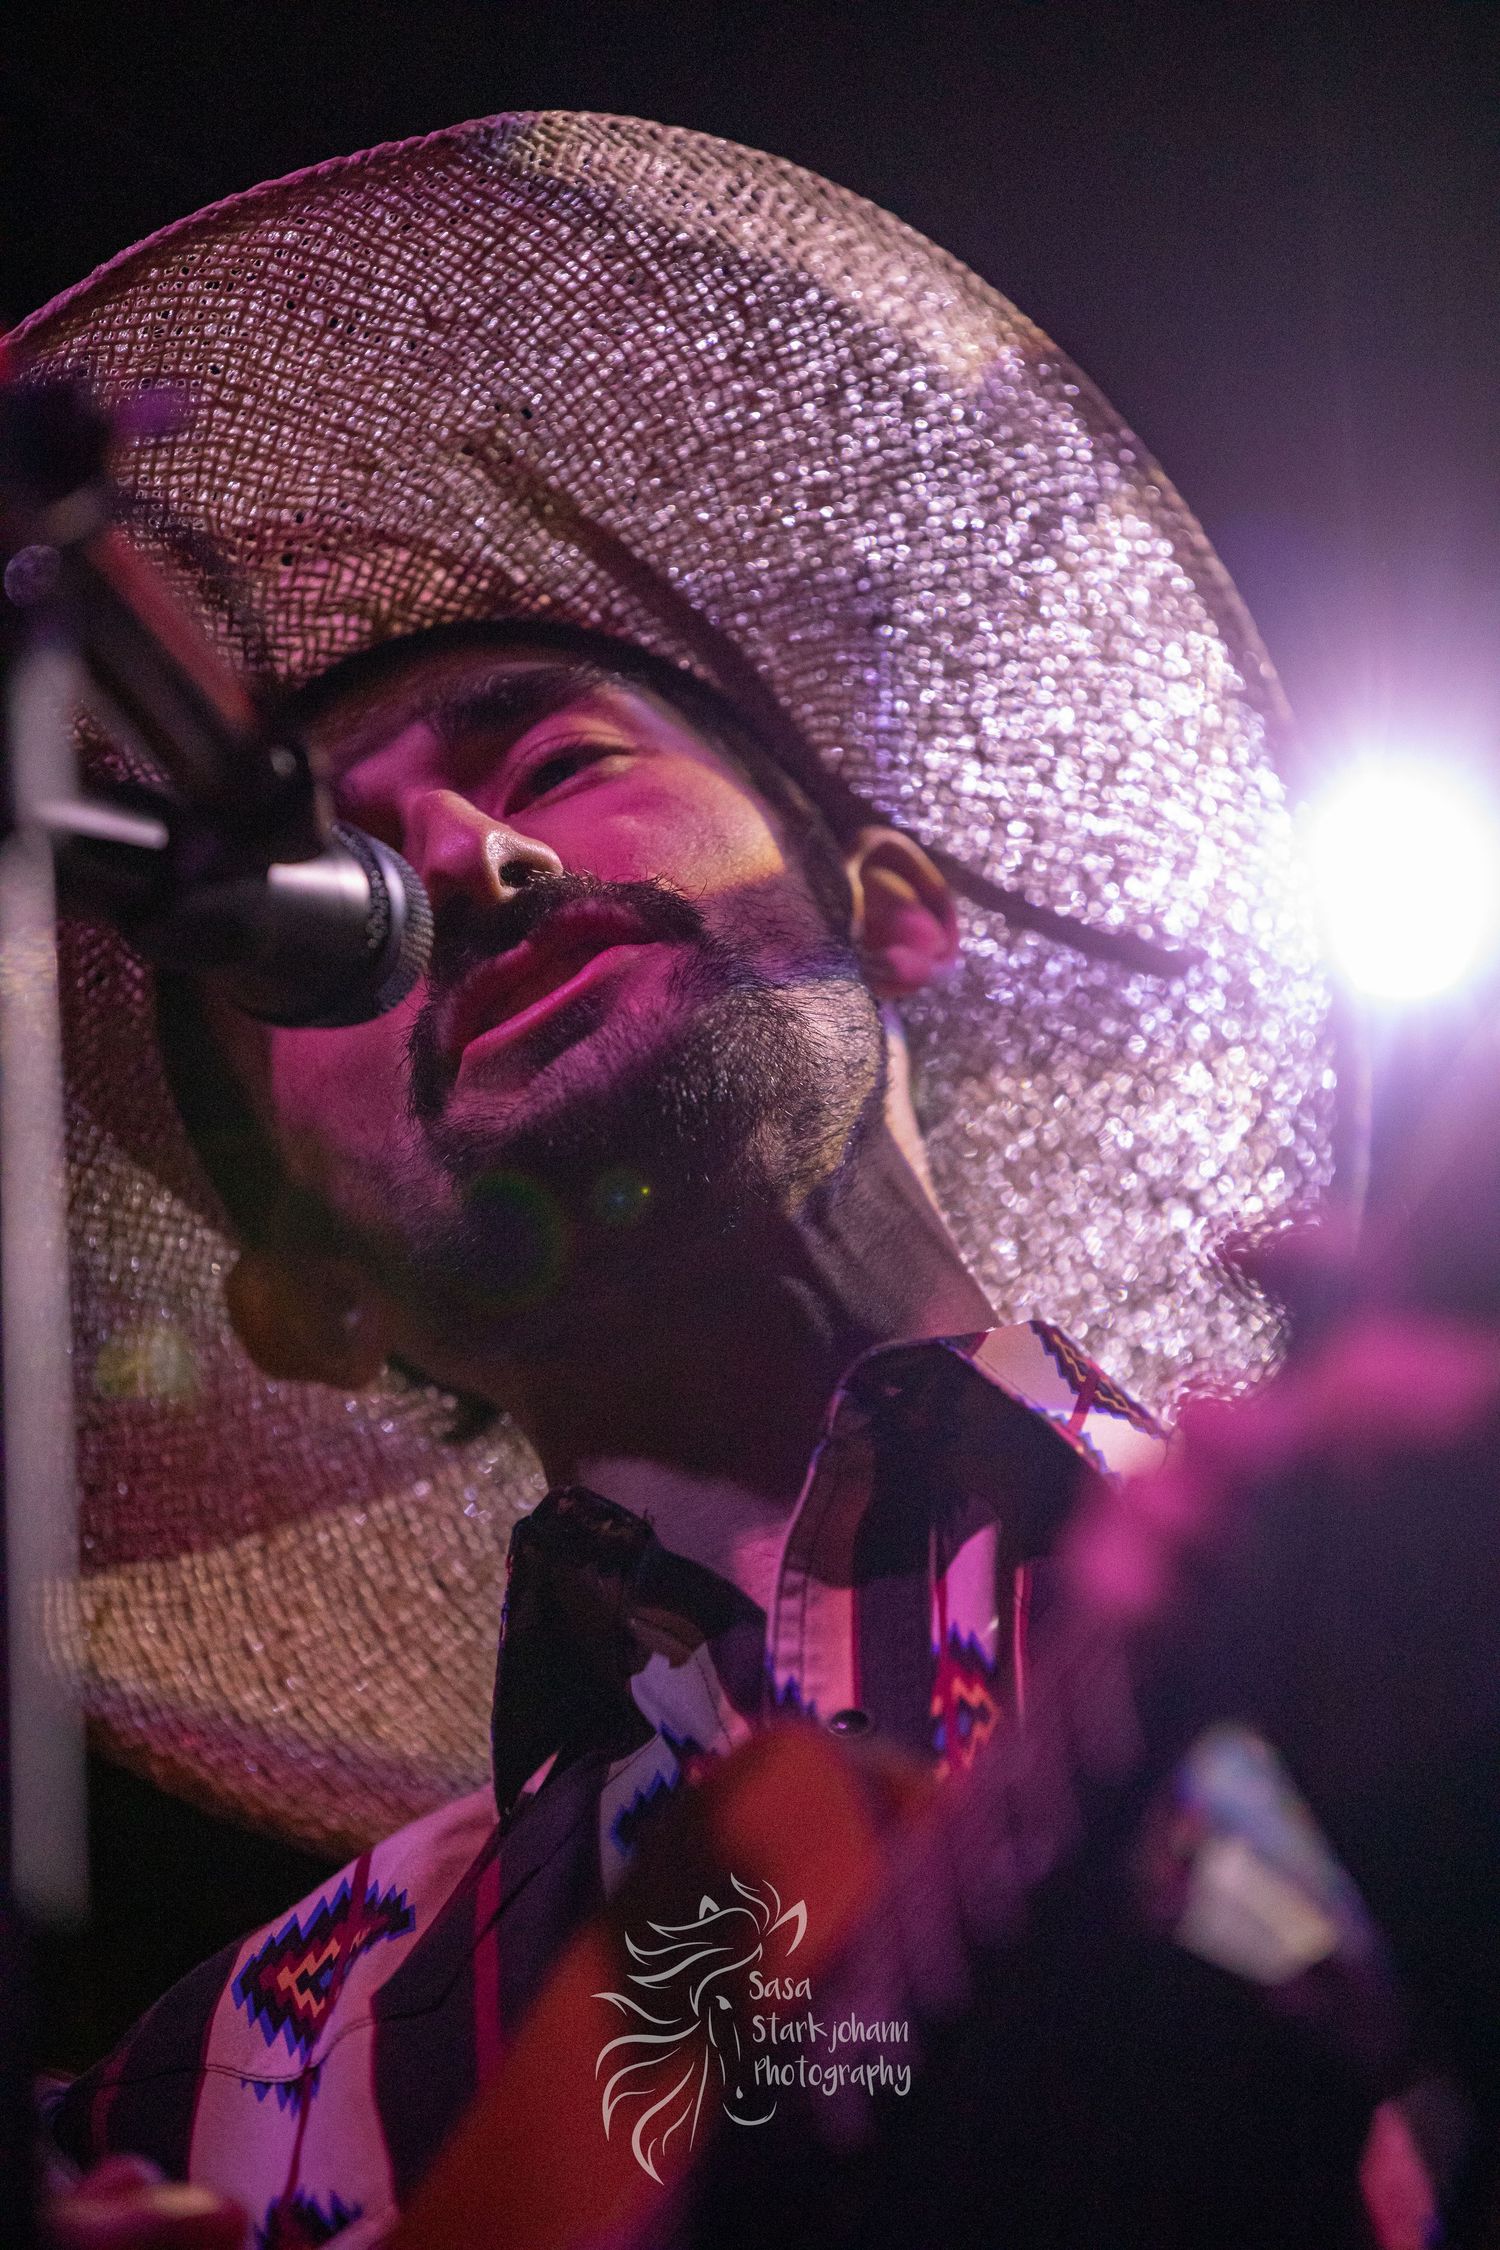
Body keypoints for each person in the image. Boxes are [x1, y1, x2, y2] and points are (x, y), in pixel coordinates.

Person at [19, 115, 1332, 2245]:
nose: (461, 864)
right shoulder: (213, 2099)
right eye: (317, 895)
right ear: (314, 1298)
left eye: (556, 759)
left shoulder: (1359, 1559)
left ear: (894, 910)